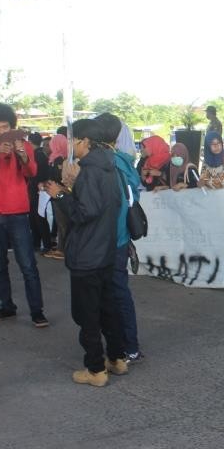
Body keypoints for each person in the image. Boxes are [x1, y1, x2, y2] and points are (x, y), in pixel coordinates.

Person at [45, 118, 129, 387]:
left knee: (87, 315)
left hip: (87, 253)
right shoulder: (110, 167)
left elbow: (85, 212)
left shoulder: (90, 171)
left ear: (84, 142)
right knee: (107, 309)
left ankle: (95, 369)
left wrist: (60, 195)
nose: (70, 146)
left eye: (72, 140)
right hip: (105, 249)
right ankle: (117, 358)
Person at [0, 103, 48, 328]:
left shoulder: (23, 145)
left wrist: (23, 155)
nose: (0, 131)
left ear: (11, 126)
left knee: (27, 264)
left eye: (4, 126)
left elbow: (32, 172)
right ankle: (6, 306)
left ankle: (37, 311)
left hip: (17, 212)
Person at [96, 113, 145, 364]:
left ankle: (121, 347)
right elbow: (132, 197)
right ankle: (130, 345)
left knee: (110, 293)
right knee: (119, 291)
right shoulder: (125, 161)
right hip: (121, 237)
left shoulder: (107, 163)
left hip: (107, 237)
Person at [43, 133, 70, 259]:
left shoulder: (59, 159)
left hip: (60, 193)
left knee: (62, 222)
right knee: (60, 222)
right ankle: (61, 247)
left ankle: (64, 249)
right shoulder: (56, 158)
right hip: (56, 193)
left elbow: (59, 178)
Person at [26, 132, 53, 254]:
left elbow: (34, 174)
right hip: (38, 190)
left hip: (37, 190)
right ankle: (37, 242)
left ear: (30, 143)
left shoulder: (36, 156)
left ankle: (44, 244)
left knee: (39, 217)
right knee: (36, 217)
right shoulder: (41, 154)